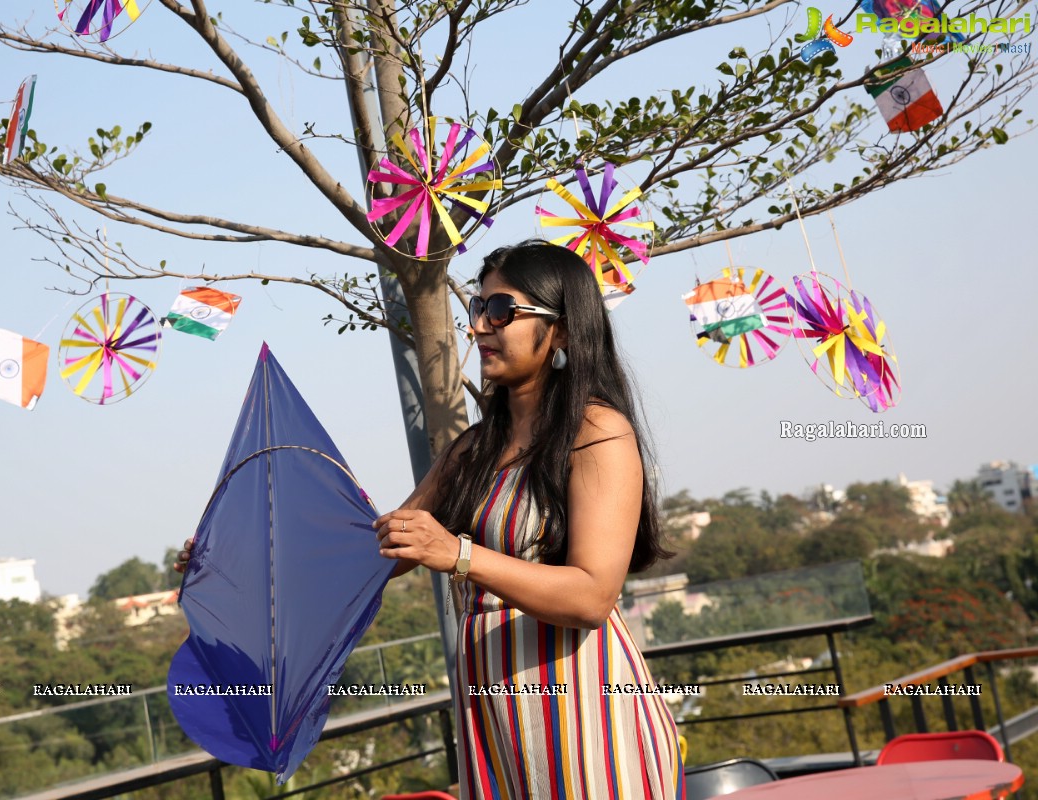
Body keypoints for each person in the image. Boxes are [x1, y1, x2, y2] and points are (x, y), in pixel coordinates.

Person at [178, 241, 684, 798]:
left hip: (587, 713)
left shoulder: (598, 433)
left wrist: (459, 555)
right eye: (477, 309)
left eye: (501, 312)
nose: (480, 328)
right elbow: (382, 551)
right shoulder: (472, 449)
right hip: (494, 717)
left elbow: (593, 596)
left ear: (560, 330)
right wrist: (228, 565)